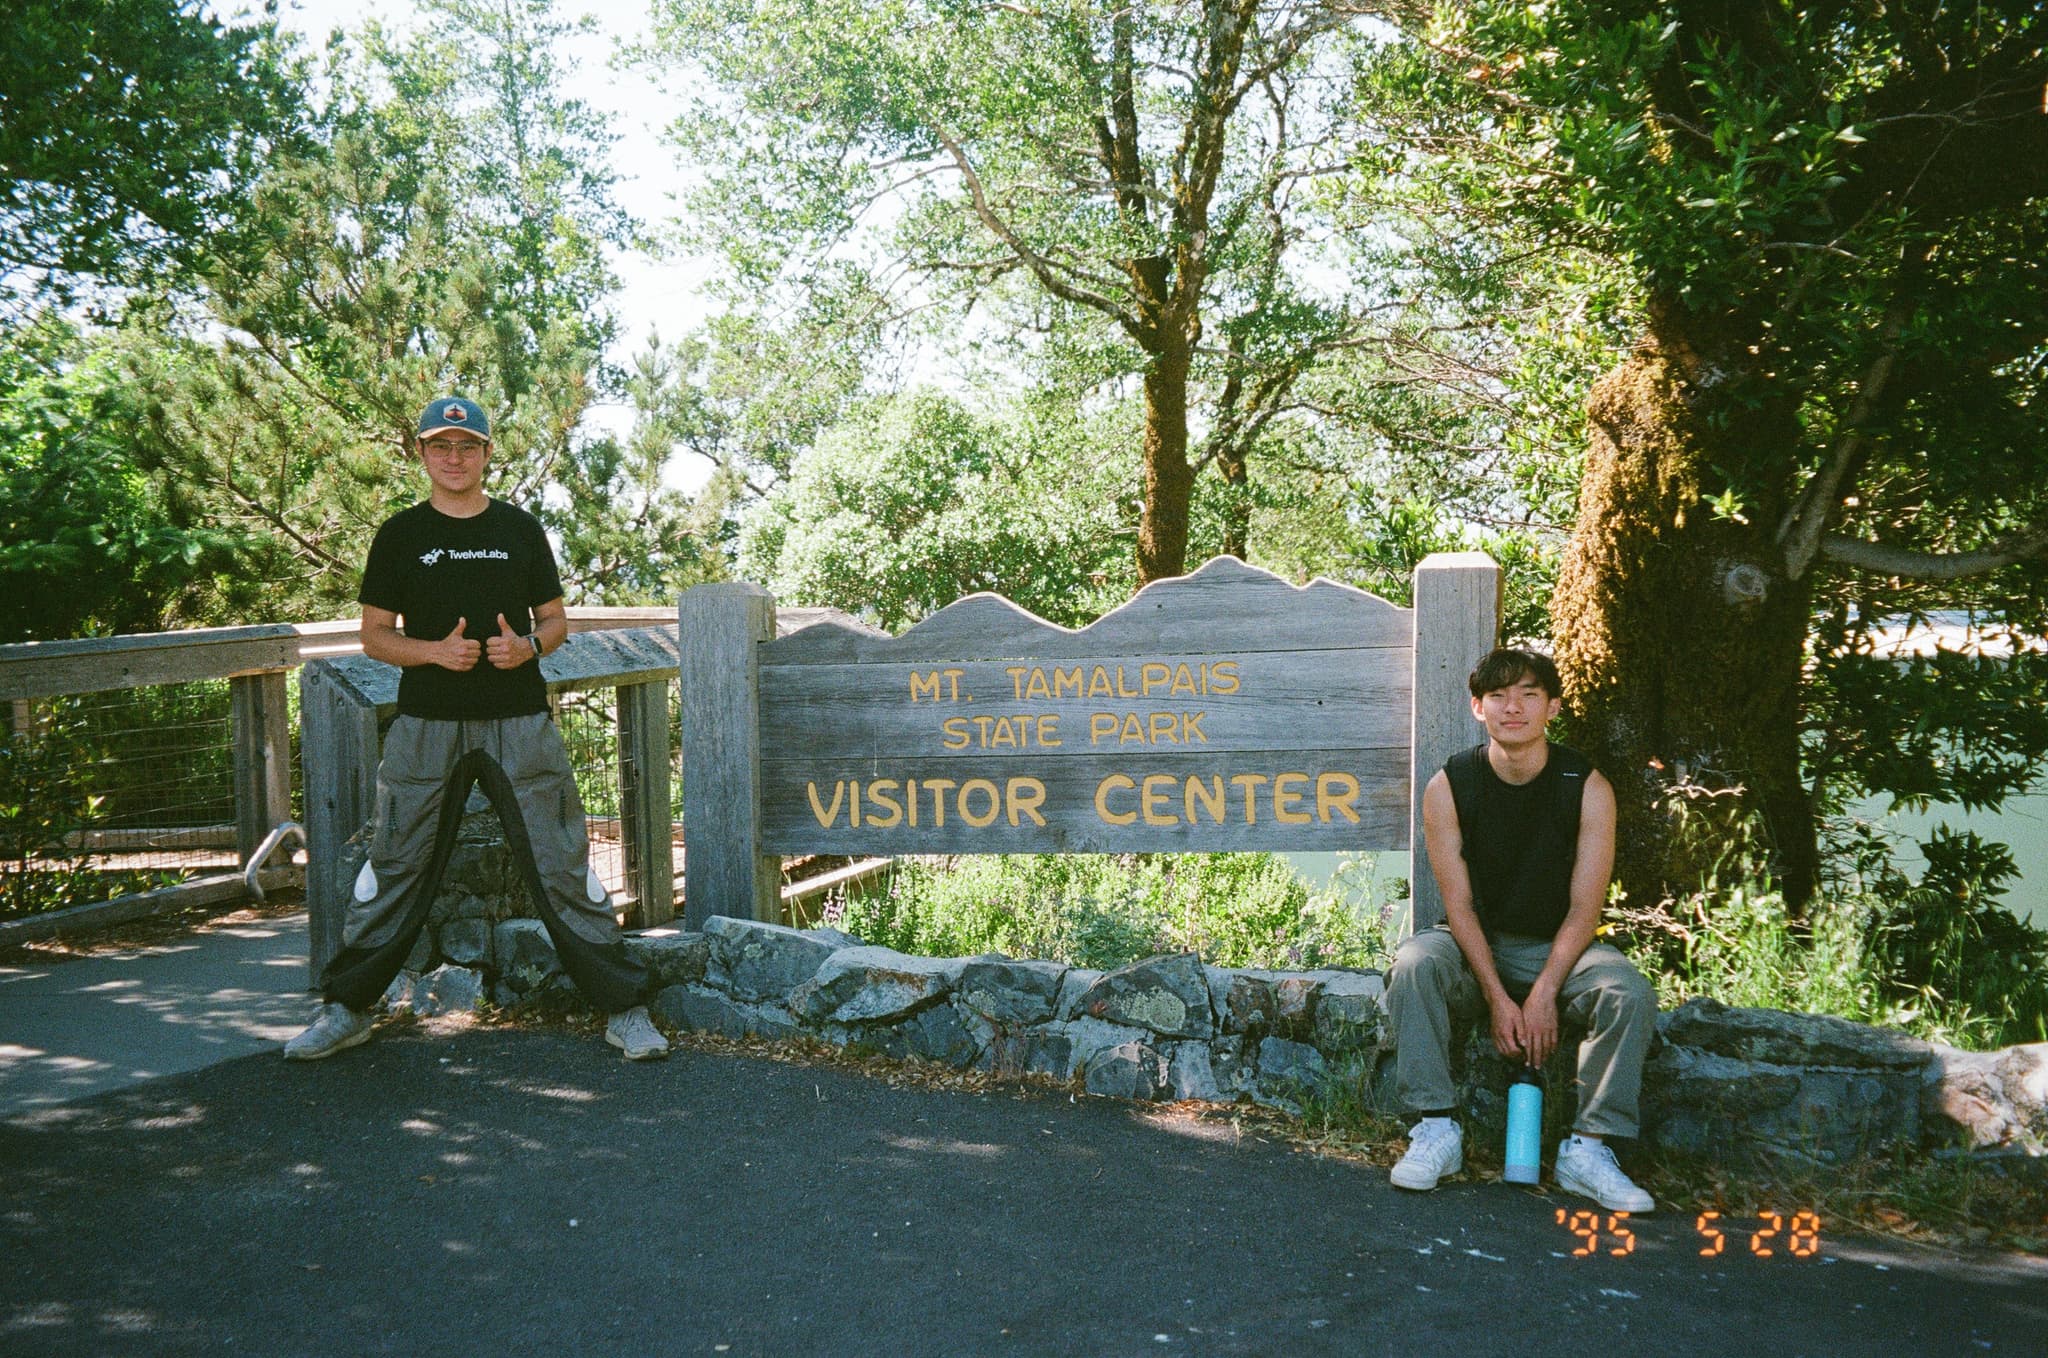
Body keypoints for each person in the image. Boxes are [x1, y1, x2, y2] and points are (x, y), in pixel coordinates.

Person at [285, 396, 668, 1062]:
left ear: (488, 455)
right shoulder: (400, 536)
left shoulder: (520, 530)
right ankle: (347, 1008)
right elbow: (374, 638)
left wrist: (527, 646)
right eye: (441, 446)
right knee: (394, 864)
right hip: (426, 725)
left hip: (518, 720)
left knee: (562, 860)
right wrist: (434, 652)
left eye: (468, 446)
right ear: (423, 455)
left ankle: (625, 1009)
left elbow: (556, 623)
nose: (455, 458)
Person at [1383, 646, 1655, 1212]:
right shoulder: (1449, 785)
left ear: (1552, 707)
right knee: (1414, 964)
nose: (1514, 708)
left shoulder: (1586, 785)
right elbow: (1458, 907)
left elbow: (1586, 908)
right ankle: (1436, 1129)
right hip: (1474, 941)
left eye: (1529, 695)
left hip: (1559, 946)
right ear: (1477, 707)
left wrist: (1544, 993)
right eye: (1499, 696)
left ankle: (1588, 1149)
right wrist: (1499, 998)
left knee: (1626, 990)